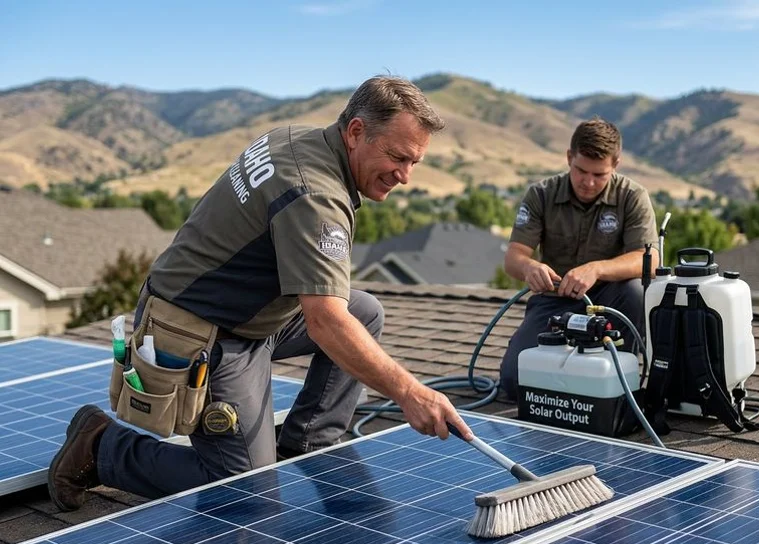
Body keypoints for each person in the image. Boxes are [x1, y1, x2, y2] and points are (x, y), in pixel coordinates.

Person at [48, 75, 474, 511]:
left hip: (249, 314)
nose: (405, 176)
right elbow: (324, 321)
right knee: (247, 497)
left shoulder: (298, 138)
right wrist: (410, 393)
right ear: (356, 132)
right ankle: (101, 447)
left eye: (414, 162)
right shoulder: (315, 194)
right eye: (397, 157)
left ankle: (309, 441)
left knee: (363, 311)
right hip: (198, 330)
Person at [499, 117, 658, 402]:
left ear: (616, 164)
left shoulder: (633, 196)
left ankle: (619, 383)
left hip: (611, 303)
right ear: (569, 157)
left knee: (635, 292)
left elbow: (649, 261)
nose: (588, 182)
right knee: (514, 382)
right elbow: (513, 258)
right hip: (554, 302)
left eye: (599, 174)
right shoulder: (541, 194)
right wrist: (530, 267)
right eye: (581, 170)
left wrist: (596, 269)